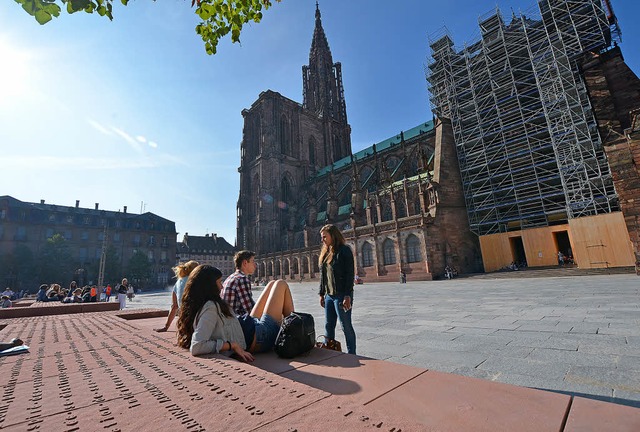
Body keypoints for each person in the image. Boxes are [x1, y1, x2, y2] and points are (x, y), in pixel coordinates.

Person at [177, 264, 295, 360]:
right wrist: (231, 345)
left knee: (272, 284)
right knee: (281, 283)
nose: (222, 287)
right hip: (260, 335)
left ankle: (293, 328)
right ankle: (294, 336)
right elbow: (197, 346)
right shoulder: (210, 307)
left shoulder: (196, 304)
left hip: (246, 325)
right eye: (219, 282)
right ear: (209, 286)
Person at [318, 224, 357, 355]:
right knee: (329, 325)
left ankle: (352, 354)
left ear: (333, 235)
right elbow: (323, 276)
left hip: (341, 295)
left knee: (346, 325)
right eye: (322, 237)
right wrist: (321, 293)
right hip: (329, 295)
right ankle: (330, 352)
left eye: (325, 237)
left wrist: (347, 295)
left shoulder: (344, 250)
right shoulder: (325, 252)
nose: (322, 240)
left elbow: (349, 274)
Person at [155, 260, 199, 333]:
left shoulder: (178, 282)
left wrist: (166, 326)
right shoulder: (196, 281)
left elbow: (174, 306)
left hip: (184, 319)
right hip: (197, 319)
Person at [222, 250, 257, 316]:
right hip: (238, 323)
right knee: (277, 284)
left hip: (229, 320)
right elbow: (251, 310)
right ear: (245, 263)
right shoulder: (241, 279)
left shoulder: (231, 277)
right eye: (253, 261)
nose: (255, 265)